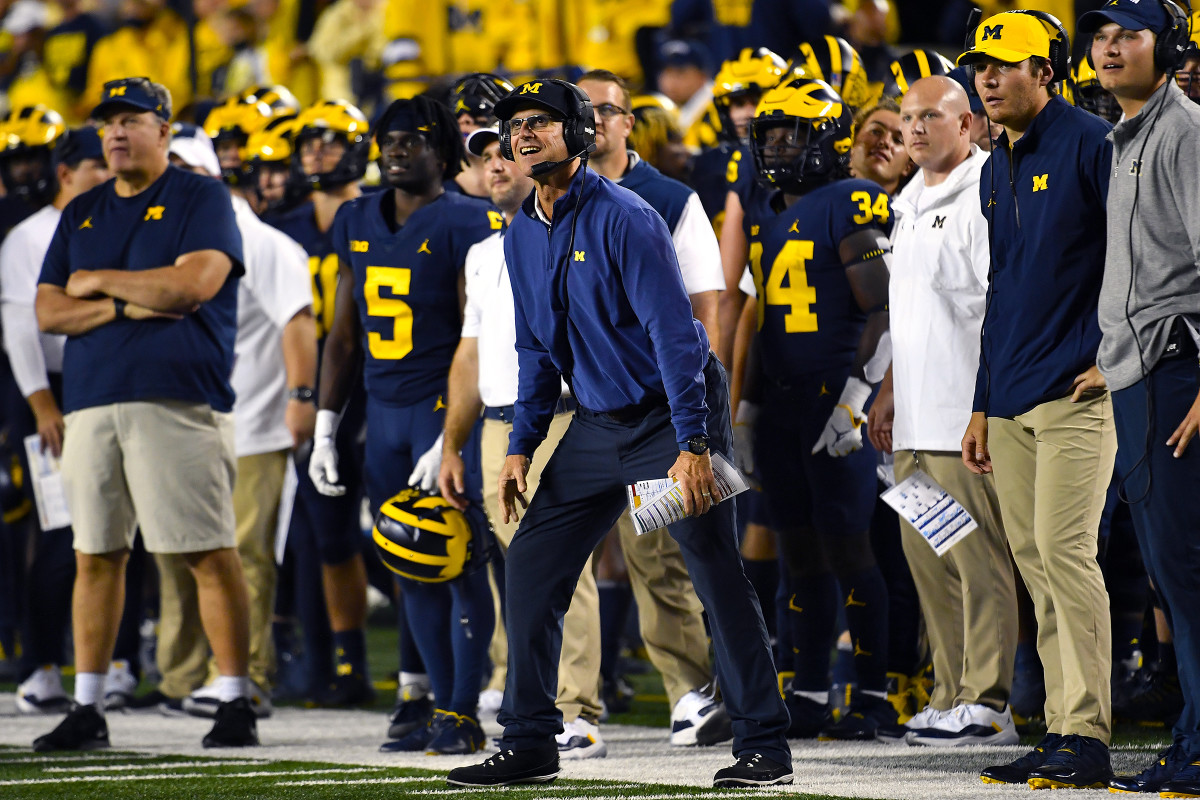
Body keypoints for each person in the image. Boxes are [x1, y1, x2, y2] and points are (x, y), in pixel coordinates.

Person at [447, 79, 792, 789]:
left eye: (541, 122)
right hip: (599, 424)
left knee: (714, 574)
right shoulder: (519, 234)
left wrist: (694, 446)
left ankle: (765, 745)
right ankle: (533, 739)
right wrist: (521, 445)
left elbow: (677, 339)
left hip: (671, 415)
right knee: (532, 564)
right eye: (516, 125)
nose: (523, 135)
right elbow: (537, 352)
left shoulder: (628, 216)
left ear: (579, 132)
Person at [31, 77, 256, 751]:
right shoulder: (83, 210)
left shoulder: (200, 195)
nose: (118, 132)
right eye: (109, 123)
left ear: (164, 130)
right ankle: (88, 705)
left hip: (177, 397)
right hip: (92, 402)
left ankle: (237, 699)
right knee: (94, 554)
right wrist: (133, 303)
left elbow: (193, 285)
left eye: (132, 119)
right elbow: (49, 311)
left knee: (206, 552)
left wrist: (98, 285)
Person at [957, 11, 1117, 789]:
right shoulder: (996, 165)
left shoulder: (1092, 141)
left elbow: (1142, 255)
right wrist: (984, 401)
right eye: (980, 67)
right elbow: (1002, 289)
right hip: (1015, 393)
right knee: (1035, 564)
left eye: (1004, 65)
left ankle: (1085, 733)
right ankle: (1061, 727)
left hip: (1079, 388)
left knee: (1065, 554)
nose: (988, 78)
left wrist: (1115, 356)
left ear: (1046, 72)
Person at [309, 95, 497, 755]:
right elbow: (342, 333)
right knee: (406, 557)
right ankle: (431, 706)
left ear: (443, 154)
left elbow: (475, 340)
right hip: (382, 412)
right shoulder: (356, 216)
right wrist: (326, 424)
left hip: (438, 410)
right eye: (388, 139)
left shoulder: (469, 222)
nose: (396, 150)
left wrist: (452, 432)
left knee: (457, 558)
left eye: (413, 140)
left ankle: (461, 709)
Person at [435, 124, 606, 760]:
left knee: (568, 564)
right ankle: (525, 695)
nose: (496, 164)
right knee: (518, 564)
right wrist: (451, 440)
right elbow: (471, 351)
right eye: (485, 156)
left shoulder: (581, 225)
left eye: (507, 151)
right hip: (498, 422)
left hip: (563, 413)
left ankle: (575, 709)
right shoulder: (484, 252)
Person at [736, 75, 895, 742]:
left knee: (849, 546)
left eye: (790, 133)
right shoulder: (768, 212)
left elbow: (885, 307)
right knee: (799, 548)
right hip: (783, 404)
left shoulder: (851, 200)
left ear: (827, 138)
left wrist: (859, 398)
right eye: (768, 135)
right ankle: (805, 689)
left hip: (837, 395)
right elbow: (756, 318)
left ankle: (875, 693)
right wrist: (744, 406)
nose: (776, 146)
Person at [867, 75, 1018, 747]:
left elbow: (1000, 309)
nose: (915, 127)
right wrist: (891, 388)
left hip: (964, 417)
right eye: (908, 117)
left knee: (977, 562)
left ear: (970, 125)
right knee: (930, 564)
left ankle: (988, 702)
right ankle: (951, 693)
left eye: (932, 115)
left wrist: (982, 408)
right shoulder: (908, 198)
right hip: (917, 419)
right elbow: (913, 314)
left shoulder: (987, 192)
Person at [1076, 0, 1200, 793]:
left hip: (1174, 375)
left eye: (1130, 34)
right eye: (1102, 34)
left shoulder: (1183, 132)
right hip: (1141, 374)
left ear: (1171, 45)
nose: (1111, 46)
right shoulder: (1133, 131)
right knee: (1171, 572)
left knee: (1185, 573)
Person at [153, 124, 317, 720]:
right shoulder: (165, 235)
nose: (181, 185)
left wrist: (301, 399)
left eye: (191, 172)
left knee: (245, 553)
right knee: (176, 551)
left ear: (214, 177)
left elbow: (297, 323)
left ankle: (244, 676)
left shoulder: (262, 240)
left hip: (254, 423)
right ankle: (182, 675)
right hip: (180, 418)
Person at [267, 99, 375, 708]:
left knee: (394, 528)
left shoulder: (377, 214)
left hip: (382, 384)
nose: (314, 151)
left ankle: (423, 670)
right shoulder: (287, 227)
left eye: (329, 140)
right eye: (308, 141)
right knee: (324, 535)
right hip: (317, 389)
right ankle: (343, 661)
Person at [1, 126, 108, 714]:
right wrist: (41, 403)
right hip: (51, 390)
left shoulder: (113, 218)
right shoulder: (30, 235)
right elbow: (22, 326)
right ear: (67, 171)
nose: (109, 174)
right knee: (60, 535)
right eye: (97, 165)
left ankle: (116, 664)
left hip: (103, 379)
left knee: (118, 531)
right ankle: (40, 664)